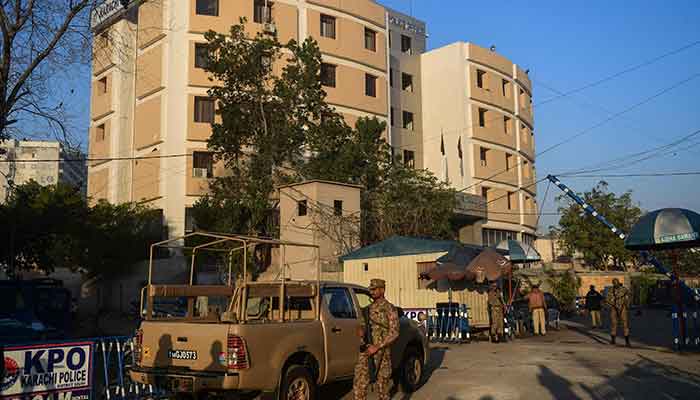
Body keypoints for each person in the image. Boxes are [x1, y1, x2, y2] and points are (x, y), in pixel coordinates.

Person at [353, 279, 399, 400]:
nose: (371, 292)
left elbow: (394, 332)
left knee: (382, 388)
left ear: (382, 290)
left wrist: (378, 346)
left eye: (374, 289)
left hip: (382, 353)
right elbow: (363, 325)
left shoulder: (390, 308)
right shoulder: (367, 309)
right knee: (359, 384)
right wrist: (361, 331)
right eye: (371, 289)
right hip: (367, 350)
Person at [605, 278, 631, 347]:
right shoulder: (611, 290)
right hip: (614, 308)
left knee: (625, 325)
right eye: (614, 283)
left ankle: (627, 341)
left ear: (618, 283)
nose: (615, 284)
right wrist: (611, 304)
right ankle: (613, 340)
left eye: (616, 283)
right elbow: (607, 299)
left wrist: (627, 305)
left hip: (622, 308)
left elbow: (628, 296)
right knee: (614, 324)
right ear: (613, 283)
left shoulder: (624, 289)